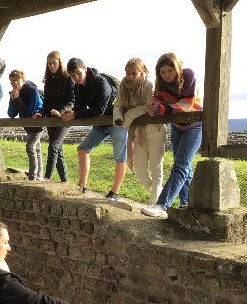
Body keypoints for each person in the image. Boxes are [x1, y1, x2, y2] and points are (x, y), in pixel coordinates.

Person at [141, 53, 203, 219]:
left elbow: (187, 104)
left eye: (170, 70)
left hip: (194, 125)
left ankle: (162, 204)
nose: (167, 75)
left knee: (181, 165)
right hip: (176, 126)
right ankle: (186, 205)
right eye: (163, 72)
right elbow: (157, 101)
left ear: (177, 69)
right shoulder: (160, 83)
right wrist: (152, 107)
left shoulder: (188, 75)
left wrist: (163, 109)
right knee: (184, 167)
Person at [61, 57, 122, 200]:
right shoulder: (78, 86)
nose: (76, 77)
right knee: (82, 148)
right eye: (72, 75)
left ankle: (114, 193)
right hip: (101, 124)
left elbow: (99, 109)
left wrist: (75, 114)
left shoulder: (101, 82)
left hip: (117, 121)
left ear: (85, 69)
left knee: (120, 156)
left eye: (78, 73)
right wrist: (70, 113)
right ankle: (82, 186)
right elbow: (81, 107)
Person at [113, 58, 164, 205]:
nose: (130, 76)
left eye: (134, 73)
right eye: (128, 73)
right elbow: (119, 105)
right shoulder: (122, 86)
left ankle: (154, 203)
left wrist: (128, 116)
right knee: (140, 171)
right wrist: (118, 118)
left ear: (142, 72)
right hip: (136, 133)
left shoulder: (149, 84)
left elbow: (148, 107)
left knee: (156, 169)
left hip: (155, 130)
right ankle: (160, 196)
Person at [32, 51, 74, 183]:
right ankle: (65, 182)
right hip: (51, 119)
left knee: (54, 146)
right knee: (59, 152)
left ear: (60, 63)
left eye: (54, 63)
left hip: (65, 118)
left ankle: (47, 177)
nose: (51, 66)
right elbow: (47, 102)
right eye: (49, 63)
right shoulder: (48, 81)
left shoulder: (69, 79)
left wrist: (61, 112)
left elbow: (72, 100)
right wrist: (41, 112)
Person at [7, 70, 44, 181]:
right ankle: (39, 176)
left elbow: (30, 113)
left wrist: (17, 99)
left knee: (31, 147)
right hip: (28, 127)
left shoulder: (33, 92)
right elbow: (11, 113)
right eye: (12, 81)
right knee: (36, 149)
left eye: (16, 80)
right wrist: (13, 99)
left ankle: (33, 176)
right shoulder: (14, 93)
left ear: (23, 80)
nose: (14, 83)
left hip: (37, 124)